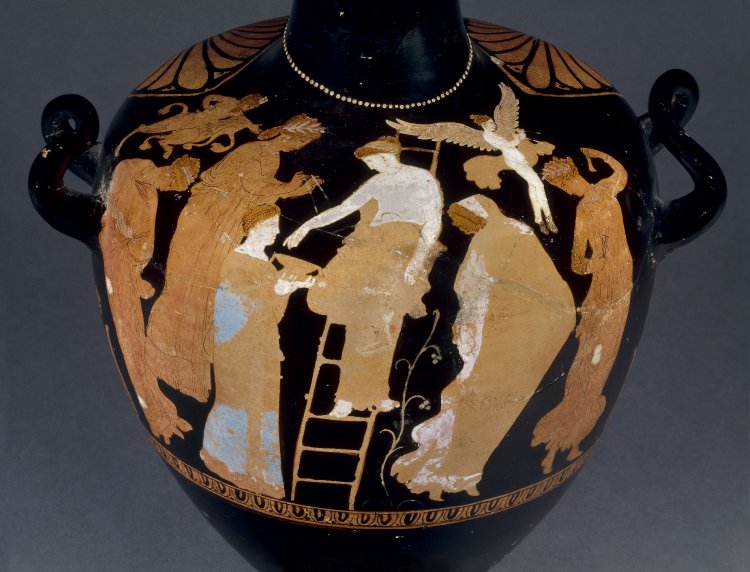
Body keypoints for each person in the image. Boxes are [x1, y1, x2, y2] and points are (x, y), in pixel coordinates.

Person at [144, 114, 324, 442]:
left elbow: (256, 195)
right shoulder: (257, 151)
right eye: (300, 141)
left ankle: (191, 371)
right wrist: (292, 189)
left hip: (222, 225)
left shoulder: (269, 154)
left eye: (303, 144)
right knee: (193, 288)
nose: (298, 147)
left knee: (204, 294)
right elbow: (253, 186)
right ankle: (173, 361)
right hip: (209, 225)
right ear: (288, 133)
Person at [284, 136, 444, 417]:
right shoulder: (376, 182)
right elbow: (342, 209)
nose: (370, 166)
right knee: (361, 315)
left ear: (385, 156)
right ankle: (348, 398)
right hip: (370, 249)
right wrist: (305, 226)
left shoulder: (422, 179)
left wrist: (416, 262)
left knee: (384, 320)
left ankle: (372, 394)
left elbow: (433, 223)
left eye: (371, 161)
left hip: (402, 251)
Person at [201, 203, 319, 497]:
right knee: (241, 403)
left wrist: (285, 290)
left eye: (275, 227)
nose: (275, 233)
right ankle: (230, 464)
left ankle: (261, 473)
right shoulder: (234, 261)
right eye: (270, 227)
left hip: (264, 348)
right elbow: (232, 309)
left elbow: (271, 314)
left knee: (264, 407)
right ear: (253, 229)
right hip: (238, 349)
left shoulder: (266, 265)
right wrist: (275, 291)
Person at [532, 148, 633, 474]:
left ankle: (572, 426)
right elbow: (578, 262)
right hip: (609, 283)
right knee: (594, 352)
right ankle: (567, 425)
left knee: (604, 350)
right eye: (563, 189)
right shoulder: (594, 199)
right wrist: (599, 262)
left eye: (564, 186)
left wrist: (595, 154)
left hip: (618, 281)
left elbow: (621, 174)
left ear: (570, 179)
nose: (567, 191)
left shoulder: (594, 200)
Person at [100, 156, 200, 443]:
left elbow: (138, 239)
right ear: (173, 169)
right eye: (176, 181)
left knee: (135, 342)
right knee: (131, 340)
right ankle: (157, 411)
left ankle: (159, 407)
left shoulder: (147, 184)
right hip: (120, 273)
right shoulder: (134, 169)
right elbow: (124, 229)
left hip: (128, 273)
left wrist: (139, 270)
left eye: (178, 185)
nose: (173, 187)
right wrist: (135, 267)